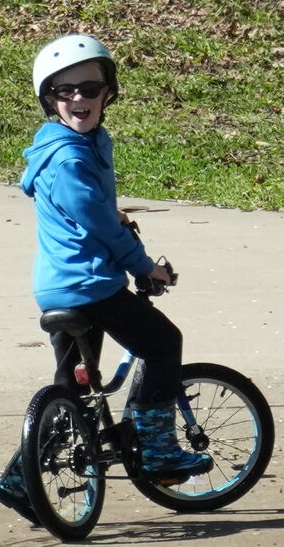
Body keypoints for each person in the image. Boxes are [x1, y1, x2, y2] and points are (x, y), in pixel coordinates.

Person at [14, 32, 208, 480]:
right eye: (65, 91)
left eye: (90, 88)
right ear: (49, 98)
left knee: (74, 389)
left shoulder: (71, 145)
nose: (79, 98)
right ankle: (157, 452)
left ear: (109, 93)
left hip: (57, 285)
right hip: (90, 284)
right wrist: (145, 265)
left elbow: (84, 209)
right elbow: (98, 227)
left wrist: (109, 213)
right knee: (162, 344)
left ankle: (25, 482)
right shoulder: (70, 159)